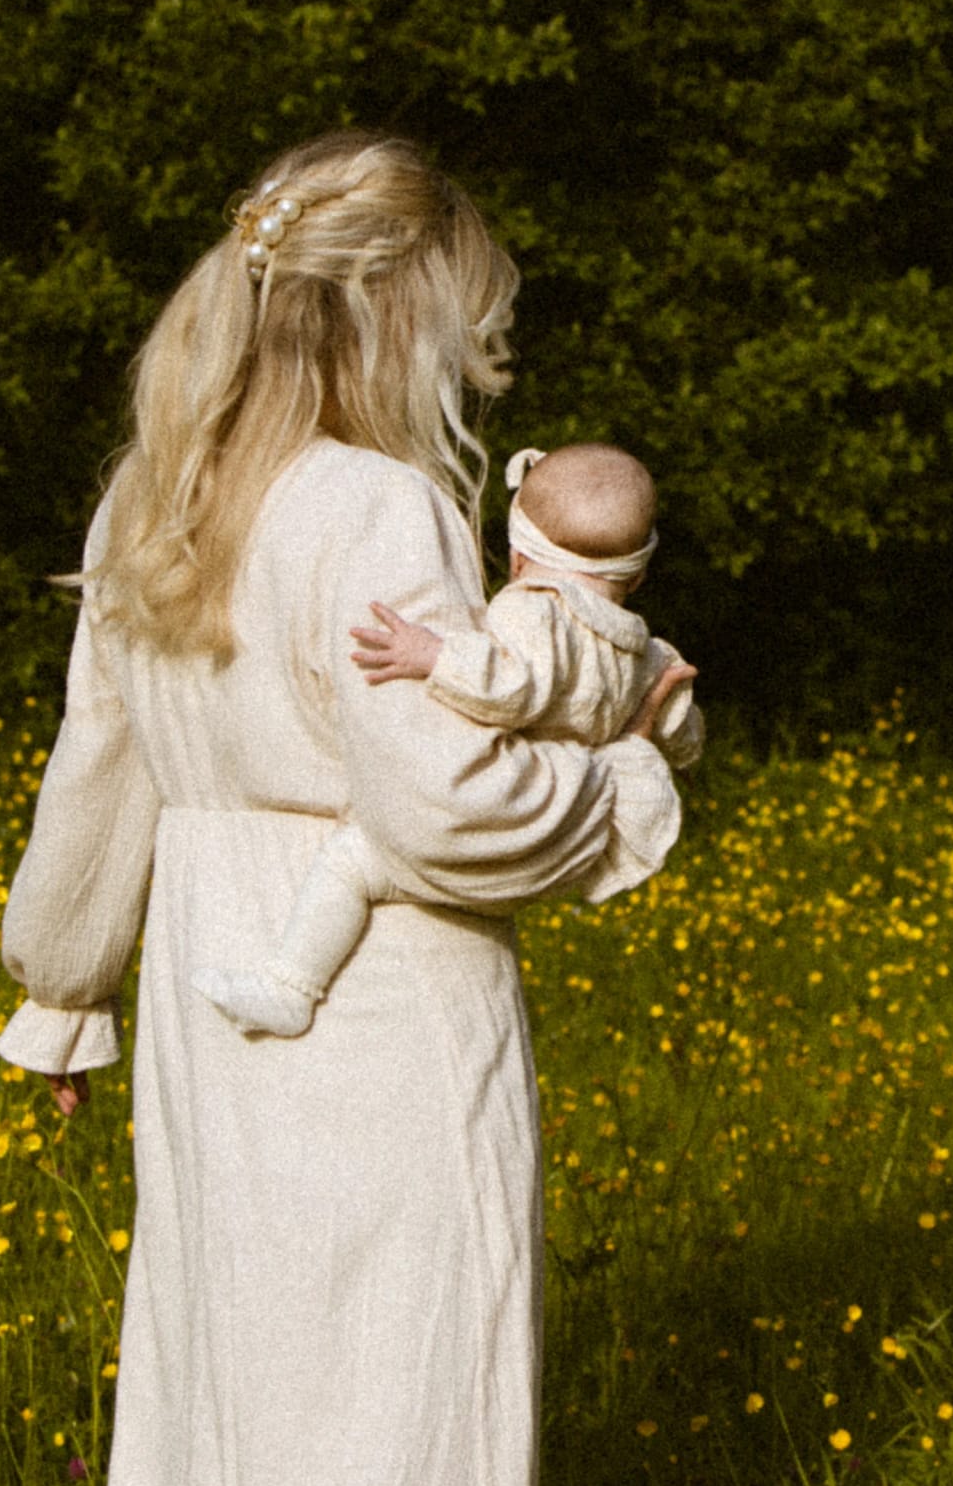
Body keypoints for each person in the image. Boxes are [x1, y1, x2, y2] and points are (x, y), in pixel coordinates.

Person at [0, 132, 685, 1486]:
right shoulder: (369, 508)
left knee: (238, 1463)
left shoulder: (166, 488)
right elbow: (446, 813)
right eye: (479, 329)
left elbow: (94, 771)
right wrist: (628, 772)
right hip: (371, 1015)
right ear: (402, 317)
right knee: (391, 1460)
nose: (488, 373)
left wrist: (61, 997)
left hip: (214, 1014)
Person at [191, 437, 703, 1039]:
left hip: (489, 830)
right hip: (550, 853)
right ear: (638, 575)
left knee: (352, 860)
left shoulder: (531, 611)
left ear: (518, 557)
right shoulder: (648, 654)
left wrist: (432, 654)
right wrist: (664, 736)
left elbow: (514, 685)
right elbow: (680, 731)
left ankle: (291, 988)